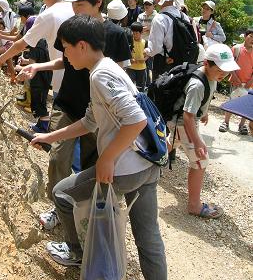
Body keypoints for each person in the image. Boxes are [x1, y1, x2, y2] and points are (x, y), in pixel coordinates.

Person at [31, 15, 167, 279]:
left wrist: (106, 158)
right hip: (147, 165)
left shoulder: (100, 76)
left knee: (62, 194)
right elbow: (91, 121)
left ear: (81, 46)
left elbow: (136, 120)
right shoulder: (109, 68)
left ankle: (77, 252)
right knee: (148, 236)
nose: (65, 55)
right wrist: (51, 136)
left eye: (66, 47)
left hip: (124, 168)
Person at [18, 0, 132, 230]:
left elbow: (122, 74)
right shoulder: (71, 25)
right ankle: (59, 207)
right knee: (58, 157)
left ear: (98, 2)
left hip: (99, 113)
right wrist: (39, 67)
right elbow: (65, 60)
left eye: (80, 3)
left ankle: (90, 215)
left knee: (93, 164)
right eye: (73, 3)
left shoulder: (115, 34)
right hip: (67, 102)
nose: (74, 9)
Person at [168, 43, 240, 219]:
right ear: (207, 63)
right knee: (201, 160)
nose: (224, 74)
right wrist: (198, 141)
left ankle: (144, 158)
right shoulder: (197, 85)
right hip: (181, 123)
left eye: (227, 70)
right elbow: (187, 117)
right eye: (221, 70)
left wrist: (204, 112)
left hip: (184, 123)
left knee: (171, 144)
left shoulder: (212, 77)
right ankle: (194, 205)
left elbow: (197, 107)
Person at [0, 0, 73, 96]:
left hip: (63, 77)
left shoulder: (48, 14)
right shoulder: (76, 8)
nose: (43, 0)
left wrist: (1, 58)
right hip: (82, 75)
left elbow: (21, 43)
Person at [144, 0, 191, 80]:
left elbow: (155, 48)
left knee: (161, 92)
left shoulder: (160, 18)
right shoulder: (183, 16)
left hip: (165, 63)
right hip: (184, 63)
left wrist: (147, 51)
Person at [219, 28, 253, 134]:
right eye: (251, 36)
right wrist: (234, 76)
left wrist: (251, 81)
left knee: (246, 105)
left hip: (249, 83)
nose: (252, 39)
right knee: (231, 101)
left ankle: (242, 125)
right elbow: (230, 63)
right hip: (235, 81)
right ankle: (226, 122)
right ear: (245, 36)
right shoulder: (237, 48)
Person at [138, 0, 157, 85]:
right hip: (142, 43)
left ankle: (154, 83)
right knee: (143, 64)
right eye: (145, 4)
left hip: (152, 43)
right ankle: (147, 84)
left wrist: (146, 28)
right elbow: (138, 29)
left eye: (149, 4)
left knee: (152, 66)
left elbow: (155, 29)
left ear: (154, 5)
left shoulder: (157, 16)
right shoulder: (140, 16)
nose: (147, 6)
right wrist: (148, 28)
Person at [127, 22, 147, 92]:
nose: (134, 35)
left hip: (141, 68)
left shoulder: (145, 42)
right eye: (133, 33)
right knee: (130, 86)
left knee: (140, 87)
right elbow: (126, 52)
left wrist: (144, 59)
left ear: (141, 33)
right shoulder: (129, 42)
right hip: (130, 67)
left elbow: (148, 55)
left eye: (136, 33)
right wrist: (130, 59)